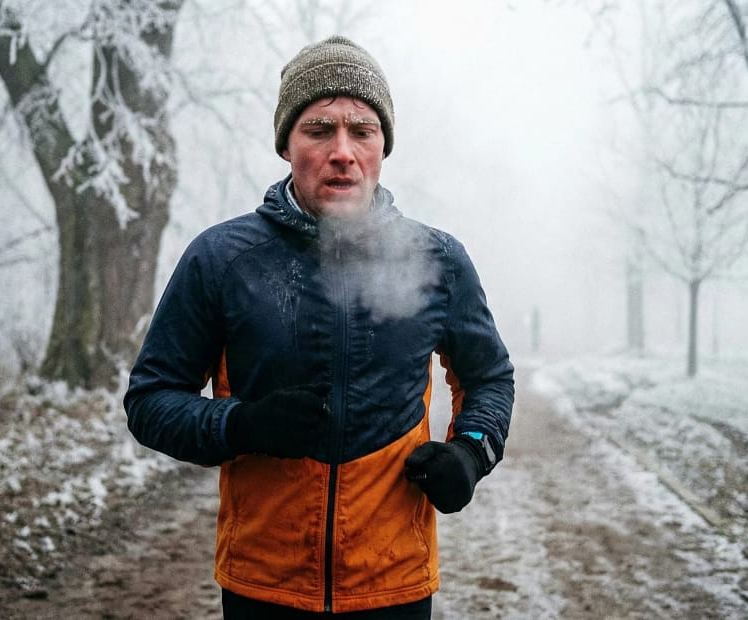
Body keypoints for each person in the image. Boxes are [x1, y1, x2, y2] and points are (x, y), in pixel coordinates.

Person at [124, 35, 514, 620]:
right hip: (264, 587)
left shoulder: (437, 260)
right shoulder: (224, 259)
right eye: (318, 130)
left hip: (394, 585)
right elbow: (151, 401)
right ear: (286, 144)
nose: (343, 152)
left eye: (362, 130)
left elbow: (490, 379)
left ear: (383, 146)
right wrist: (243, 424)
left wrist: (471, 451)